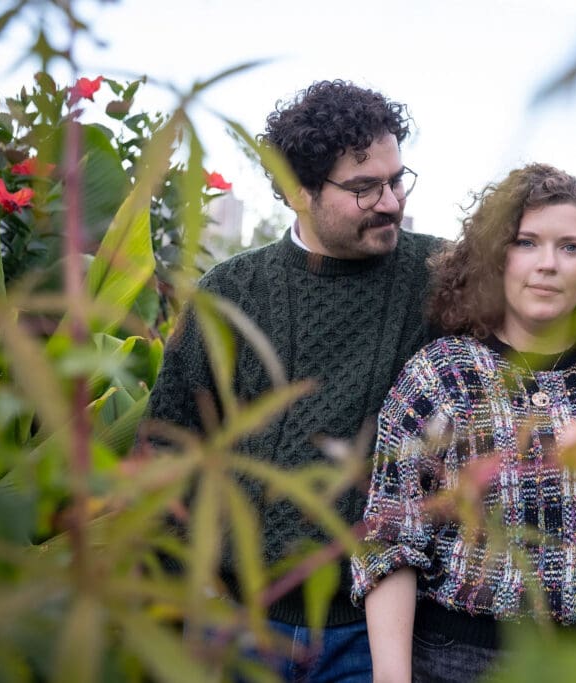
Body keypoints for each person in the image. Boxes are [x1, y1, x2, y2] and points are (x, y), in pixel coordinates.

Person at [351, 163, 576, 682]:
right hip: (466, 660)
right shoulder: (441, 376)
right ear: (495, 257)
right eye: (527, 242)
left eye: (571, 247)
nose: (548, 264)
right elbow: (390, 542)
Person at [141, 80, 442, 682]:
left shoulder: (439, 278)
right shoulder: (230, 292)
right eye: (364, 188)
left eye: (397, 179)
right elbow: (168, 448)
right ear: (297, 192)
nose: (391, 202)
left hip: (376, 633)